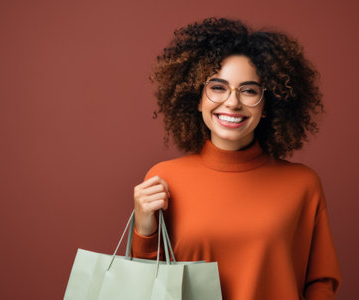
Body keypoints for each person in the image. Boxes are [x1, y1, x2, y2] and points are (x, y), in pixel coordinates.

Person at [132, 17, 341, 300]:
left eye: (249, 90)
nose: (232, 102)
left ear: (267, 105)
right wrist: (143, 228)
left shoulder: (303, 184)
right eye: (217, 87)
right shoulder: (164, 180)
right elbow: (147, 286)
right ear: (197, 98)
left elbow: (320, 283)